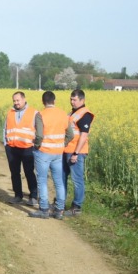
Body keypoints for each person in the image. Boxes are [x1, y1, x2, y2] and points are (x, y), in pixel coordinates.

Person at [30, 90, 72, 220]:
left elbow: (39, 135)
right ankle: (59, 211)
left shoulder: (40, 114)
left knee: (42, 180)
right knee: (59, 182)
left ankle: (44, 210)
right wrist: (62, 144)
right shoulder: (63, 114)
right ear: (54, 101)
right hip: (58, 153)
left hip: (43, 152)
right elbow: (71, 134)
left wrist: (37, 145)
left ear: (43, 102)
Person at [62, 89, 95, 217]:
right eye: (71, 99)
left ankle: (76, 207)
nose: (72, 102)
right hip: (66, 150)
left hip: (76, 152)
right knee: (62, 177)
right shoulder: (72, 113)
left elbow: (83, 136)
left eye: (74, 100)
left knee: (77, 180)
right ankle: (60, 203)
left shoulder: (85, 114)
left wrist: (76, 153)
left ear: (82, 100)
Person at [3, 91, 39, 207]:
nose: (16, 103)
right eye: (14, 101)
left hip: (27, 148)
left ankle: (33, 196)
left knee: (29, 172)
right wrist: (6, 144)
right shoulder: (10, 113)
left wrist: (36, 146)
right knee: (15, 173)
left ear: (24, 99)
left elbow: (39, 131)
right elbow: (5, 129)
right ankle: (18, 196)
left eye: (18, 100)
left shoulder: (34, 113)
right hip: (12, 148)